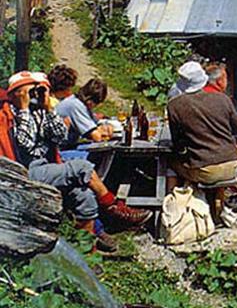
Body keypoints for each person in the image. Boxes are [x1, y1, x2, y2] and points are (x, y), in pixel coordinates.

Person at [9, 71, 151, 252]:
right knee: (82, 167)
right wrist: (23, 109)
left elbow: (59, 135)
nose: (35, 95)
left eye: (39, 91)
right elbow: (26, 144)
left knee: (84, 195)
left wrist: (48, 109)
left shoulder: (38, 111)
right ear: (17, 93)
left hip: (46, 165)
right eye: (31, 91)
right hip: (25, 171)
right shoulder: (12, 114)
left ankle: (88, 251)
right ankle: (113, 208)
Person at [167, 62, 237, 185]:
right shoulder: (223, 99)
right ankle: (218, 198)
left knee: (169, 163)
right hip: (232, 166)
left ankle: (172, 197)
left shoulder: (174, 105)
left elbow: (178, 143)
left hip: (204, 170)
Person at [56, 78, 114, 148]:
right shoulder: (76, 106)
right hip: (59, 148)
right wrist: (102, 132)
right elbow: (96, 137)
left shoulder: (79, 102)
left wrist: (105, 127)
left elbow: (94, 122)